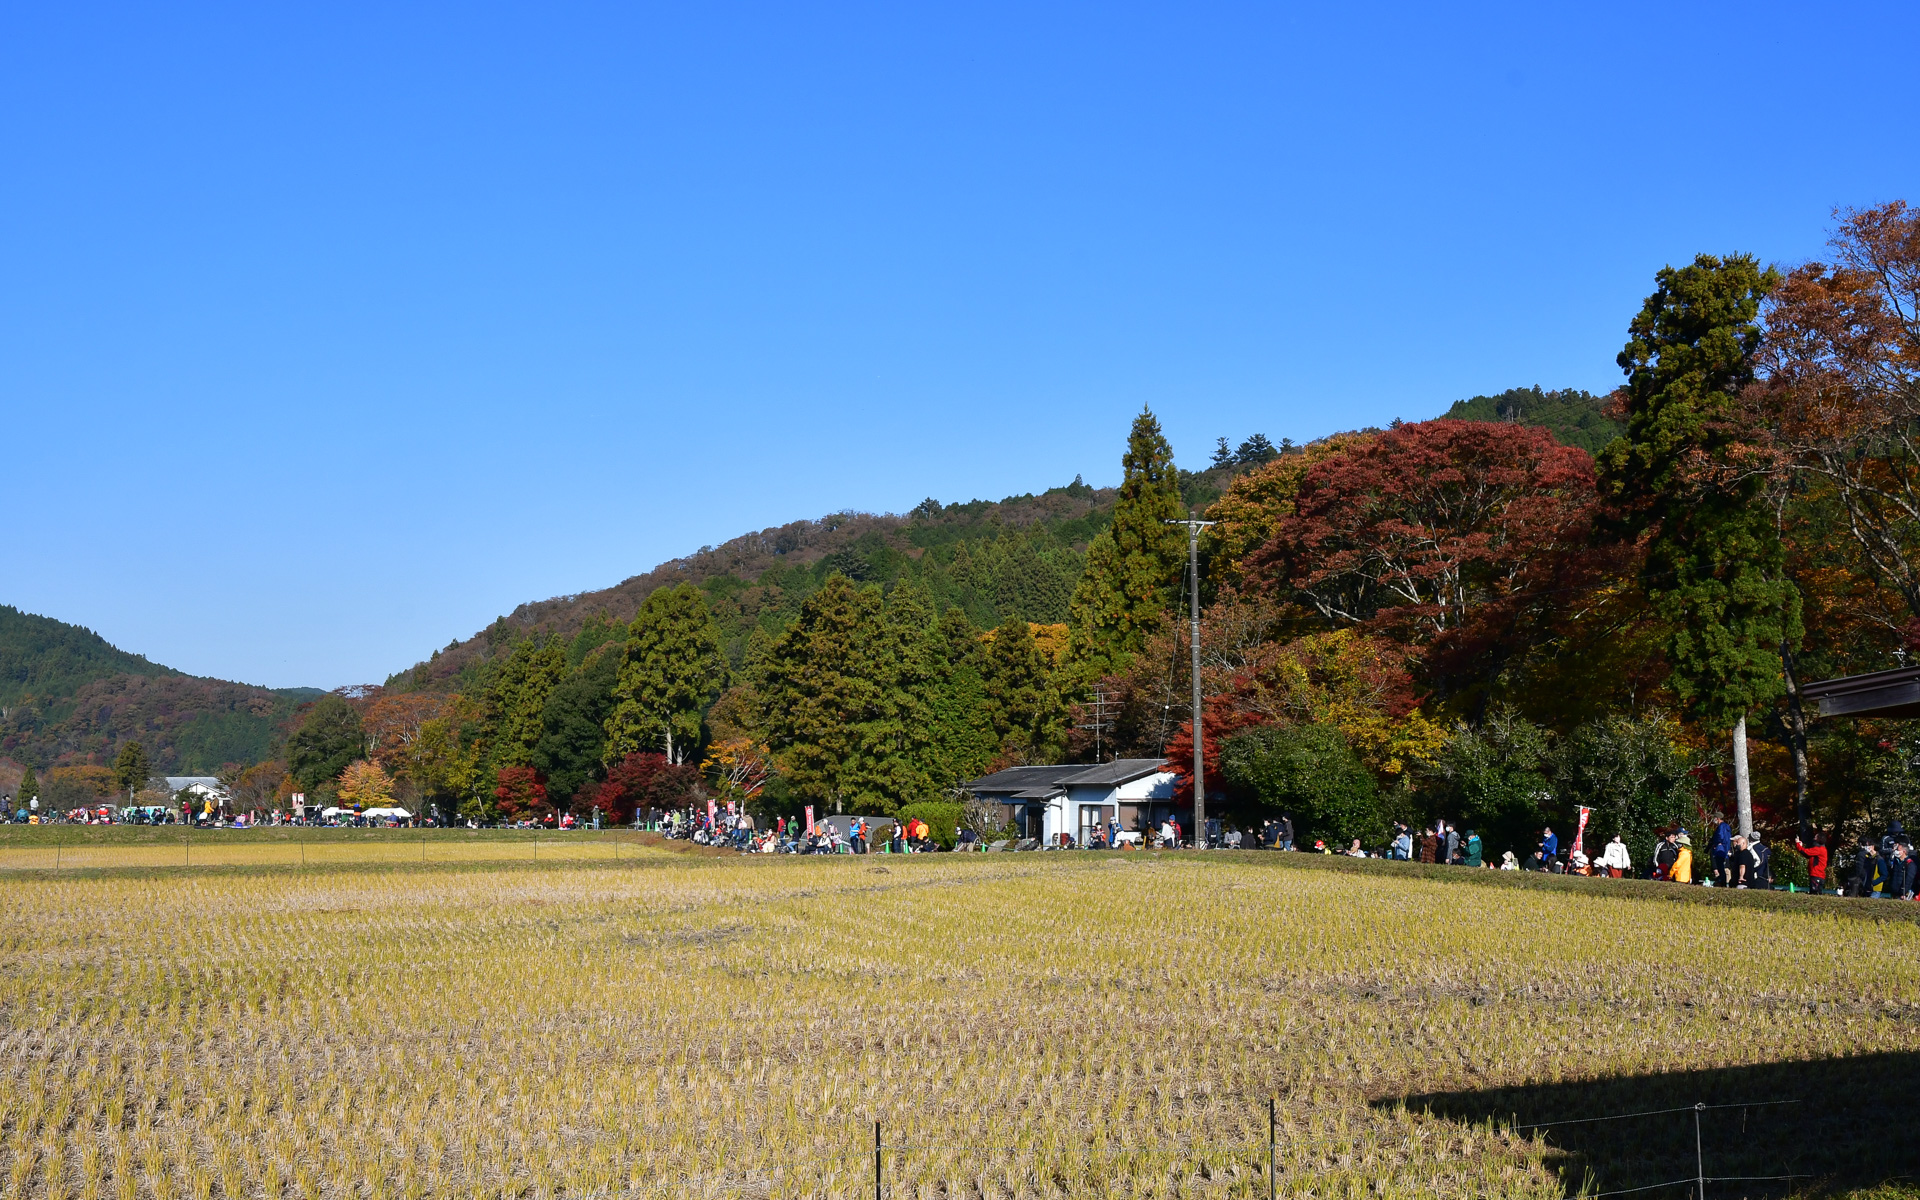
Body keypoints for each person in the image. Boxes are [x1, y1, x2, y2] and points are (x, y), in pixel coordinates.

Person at [1795, 830, 1829, 895]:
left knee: (1814, 894)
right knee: (1817, 893)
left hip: (1816, 875)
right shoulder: (1821, 850)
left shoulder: (1819, 849)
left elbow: (1806, 852)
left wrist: (1798, 845)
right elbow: (1808, 854)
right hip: (1818, 875)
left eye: (1815, 838)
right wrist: (1800, 847)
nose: (1814, 839)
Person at [1711, 816, 1734, 888]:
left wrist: (1717, 843)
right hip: (1725, 849)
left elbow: (1720, 836)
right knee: (1722, 867)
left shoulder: (1721, 826)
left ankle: (1722, 882)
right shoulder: (1727, 827)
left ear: (1717, 818)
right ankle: (1723, 881)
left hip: (1720, 849)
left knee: (1720, 866)